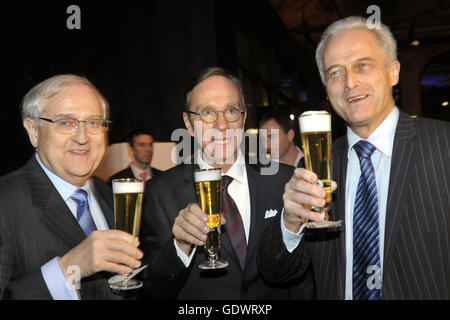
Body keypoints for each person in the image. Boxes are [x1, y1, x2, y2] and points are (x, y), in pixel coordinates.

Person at [257, 16, 450, 300]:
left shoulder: (443, 145)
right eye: (335, 72)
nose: (349, 82)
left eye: (363, 65)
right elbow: (277, 273)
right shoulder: (313, 168)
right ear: (326, 88)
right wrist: (290, 223)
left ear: (393, 72)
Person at [141, 67, 315, 299]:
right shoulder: (159, 193)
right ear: (189, 124)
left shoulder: (284, 181)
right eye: (207, 113)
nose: (222, 125)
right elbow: (152, 288)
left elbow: (302, 280)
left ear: (243, 118)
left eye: (231, 110)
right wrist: (180, 245)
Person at [0, 74, 143, 299]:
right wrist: (67, 269)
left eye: (94, 122)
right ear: (33, 131)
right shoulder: (5, 202)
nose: (82, 137)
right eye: (65, 122)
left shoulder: (110, 196)